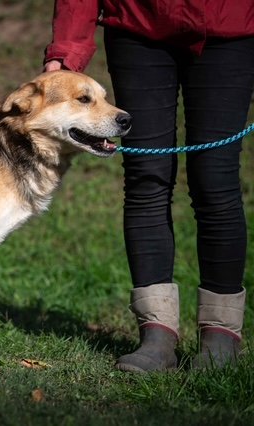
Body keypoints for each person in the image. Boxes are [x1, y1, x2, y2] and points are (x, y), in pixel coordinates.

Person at [43, 0, 254, 372]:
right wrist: (66, 51)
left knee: (215, 181)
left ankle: (221, 335)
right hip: (138, 24)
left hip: (231, 29)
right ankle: (157, 334)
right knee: (146, 178)